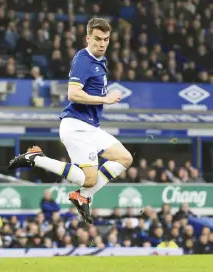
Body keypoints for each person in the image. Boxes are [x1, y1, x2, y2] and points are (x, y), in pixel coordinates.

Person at [8, 18, 133, 224]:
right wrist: (105, 99)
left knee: (125, 158)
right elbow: (73, 94)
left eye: (106, 39)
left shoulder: (100, 60)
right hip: (76, 126)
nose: (102, 43)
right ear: (88, 38)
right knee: (89, 179)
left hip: (91, 127)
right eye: (97, 39)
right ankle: (36, 158)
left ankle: (82, 196)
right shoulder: (83, 60)